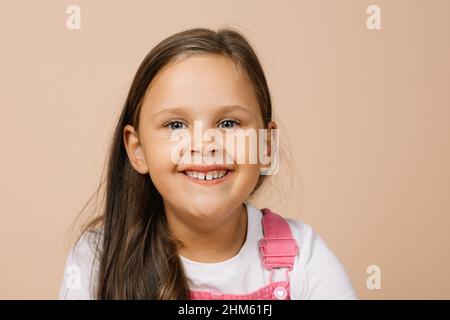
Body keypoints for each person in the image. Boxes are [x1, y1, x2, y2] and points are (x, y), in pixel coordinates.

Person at [59, 27, 357, 300]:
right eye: (176, 125)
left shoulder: (303, 259)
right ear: (138, 151)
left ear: (266, 146)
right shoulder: (98, 259)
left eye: (228, 123)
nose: (204, 144)